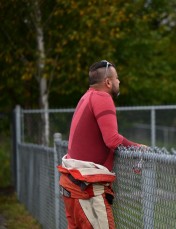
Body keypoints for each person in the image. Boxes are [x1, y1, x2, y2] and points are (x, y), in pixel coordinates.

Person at [58, 60, 142, 229]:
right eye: (117, 78)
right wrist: (137, 149)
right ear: (108, 82)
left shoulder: (87, 96)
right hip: (86, 189)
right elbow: (112, 139)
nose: (119, 82)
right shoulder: (102, 97)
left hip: (73, 184)